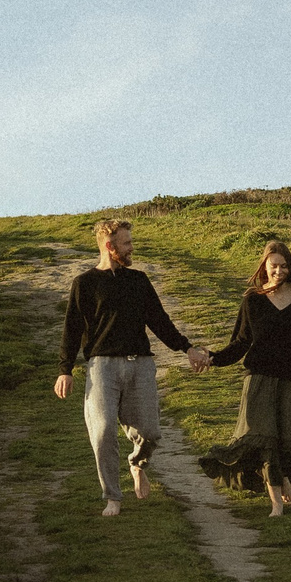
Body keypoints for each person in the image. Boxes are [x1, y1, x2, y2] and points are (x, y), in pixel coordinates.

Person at [55, 218, 209, 516]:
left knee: (150, 431)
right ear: (110, 247)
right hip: (102, 368)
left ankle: (138, 464)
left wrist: (186, 347)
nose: (131, 248)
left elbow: (160, 321)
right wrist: (65, 369)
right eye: (126, 244)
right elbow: (71, 330)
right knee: (102, 432)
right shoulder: (84, 284)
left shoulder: (138, 281)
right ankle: (113, 496)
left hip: (140, 365)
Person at [195, 239, 291, 517]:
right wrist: (214, 358)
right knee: (264, 441)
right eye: (274, 266)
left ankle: (283, 479)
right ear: (264, 267)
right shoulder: (253, 301)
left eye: (284, 266)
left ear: (290, 268)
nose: (279, 271)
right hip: (260, 381)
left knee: (285, 441)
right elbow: (240, 342)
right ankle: (276, 503)